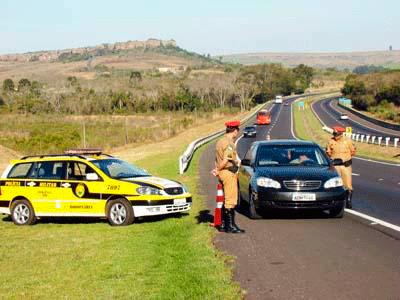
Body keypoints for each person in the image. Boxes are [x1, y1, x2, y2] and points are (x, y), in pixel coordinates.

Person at [212, 120, 245, 233]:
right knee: (231, 200)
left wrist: (217, 169)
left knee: (225, 198)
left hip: (222, 173)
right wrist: (218, 169)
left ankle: (222, 224)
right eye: (237, 131)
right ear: (235, 131)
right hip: (228, 173)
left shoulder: (220, 141)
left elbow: (217, 158)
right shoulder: (229, 143)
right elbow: (226, 160)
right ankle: (230, 226)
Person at [326, 126, 356, 208]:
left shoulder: (348, 141)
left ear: (341, 134)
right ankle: (334, 201)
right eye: (334, 134)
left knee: (348, 184)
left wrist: (346, 158)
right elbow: (328, 152)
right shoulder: (331, 141)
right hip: (335, 165)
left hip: (345, 165)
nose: (335, 136)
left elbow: (353, 151)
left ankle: (348, 201)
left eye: (337, 134)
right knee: (335, 183)